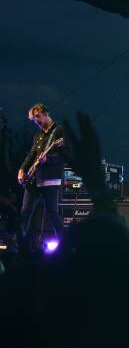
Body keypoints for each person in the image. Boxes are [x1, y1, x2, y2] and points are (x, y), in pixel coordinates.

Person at [17, 103, 66, 256]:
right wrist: (22, 169)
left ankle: (66, 245)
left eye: (37, 117)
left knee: (52, 213)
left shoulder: (59, 131)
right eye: (33, 120)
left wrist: (48, 160)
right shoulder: (38, 136)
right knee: (25, 212)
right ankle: (18, 246)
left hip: (51, 179)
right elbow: (31, 155)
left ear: (45, 113)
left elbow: (63, 156)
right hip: (34, 179)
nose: (36, 122)